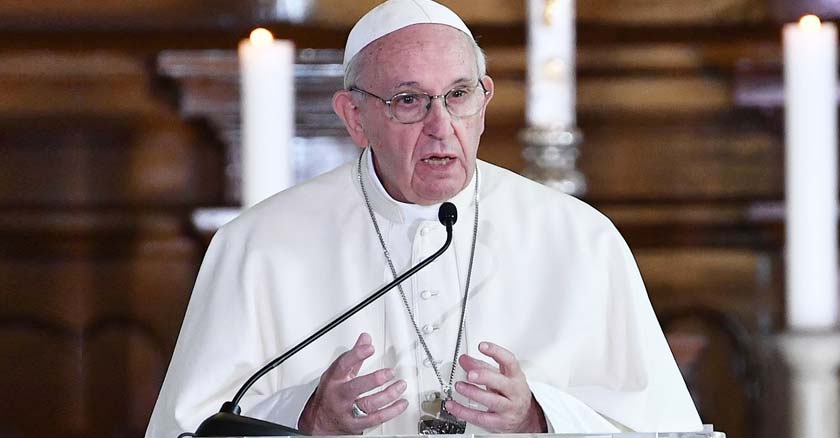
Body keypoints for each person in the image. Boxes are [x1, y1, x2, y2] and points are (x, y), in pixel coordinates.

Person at [145, 0, 703, 436]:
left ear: (484, 99)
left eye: (458, 95)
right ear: (355, 117)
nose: (442, 127)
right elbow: (190, 430)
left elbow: (660, 428)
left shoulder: (581, 239)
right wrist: (308, 418)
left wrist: (535, 416)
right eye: (409, 101)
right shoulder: (258, 246)